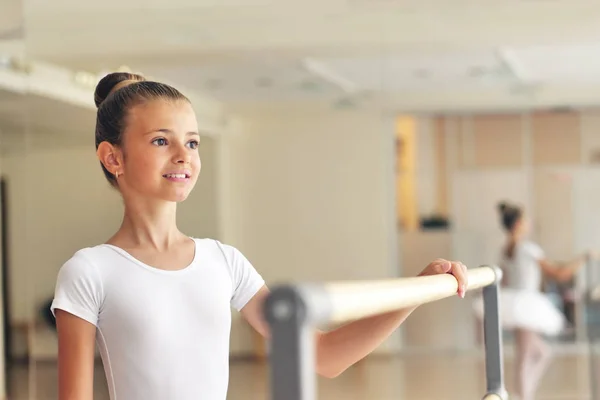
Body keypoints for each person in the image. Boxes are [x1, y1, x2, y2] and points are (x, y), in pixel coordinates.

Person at [50, 72, 470, 400]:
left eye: (193, 142)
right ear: (112, 157)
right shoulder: (90, 271)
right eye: (161, 140)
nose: (183, 155)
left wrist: (417, 290)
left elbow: (324, 356)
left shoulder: (223, 261)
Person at [493, 201, 589, 400]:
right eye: (526, 219)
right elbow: (558, 273)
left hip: (516, 303)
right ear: (519, 223)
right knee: (526, 355)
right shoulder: (527, 248)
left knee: (539, 352)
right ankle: (523, 396)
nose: (529, 222)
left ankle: (524, 394)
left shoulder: (506, 249)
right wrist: (583, 259)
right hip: (526, 304)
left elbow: (507, 281)